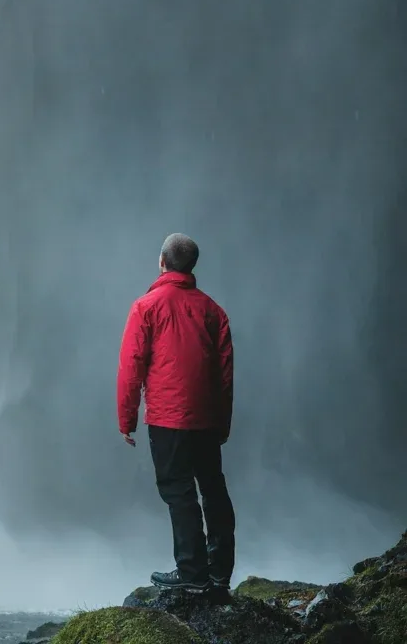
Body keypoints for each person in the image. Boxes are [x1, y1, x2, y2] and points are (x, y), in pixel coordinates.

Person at [116, 233, 236, 593]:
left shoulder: (146, 306)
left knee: (178, 491)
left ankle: (192, 572)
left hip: (168, 419)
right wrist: (223, 423)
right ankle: (220, 571)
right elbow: (225, 375)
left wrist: (127, 420)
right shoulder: (214, 311)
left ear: (162, 262)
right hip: (205, 419)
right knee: (212, 487)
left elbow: (130, 367)